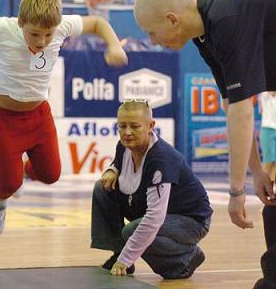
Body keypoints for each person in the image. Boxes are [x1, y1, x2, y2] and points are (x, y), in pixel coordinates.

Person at [0, 0, 128, 235]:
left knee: (51, 174)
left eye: (48, 35)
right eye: (34, 34)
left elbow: (97, 23)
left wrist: (114, 45)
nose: (42, 42)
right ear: (21, 23)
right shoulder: (3, 28)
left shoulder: (61, 26)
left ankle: (17, 170)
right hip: (2, 117)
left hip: (38, 114)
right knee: (8, 184)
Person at [133, 0, 276, 286]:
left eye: (151, 32)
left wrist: (237, 192)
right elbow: (232, 105)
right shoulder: (205, 32)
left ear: (172, 19)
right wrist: (255, 172)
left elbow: (242, 109)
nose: (153, 41)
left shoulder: (225, 19)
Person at [91, 99, 212, 279]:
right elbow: (118, 162)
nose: (127, 132)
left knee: (132, 231)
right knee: (103, 189)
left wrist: (125, 259)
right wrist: (111, 170)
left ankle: (185, 259)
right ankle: (118, 251)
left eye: (134, 126)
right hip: (159, 211)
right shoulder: (124, 146)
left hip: (191, 221)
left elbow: (154, 218)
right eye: (122, 126)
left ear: (151, 126)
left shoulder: (161, 160)